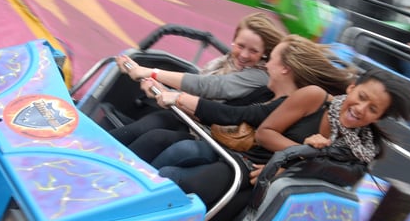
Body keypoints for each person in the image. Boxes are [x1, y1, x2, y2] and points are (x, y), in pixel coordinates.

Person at [158, 67, 410, 210]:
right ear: (352, 88)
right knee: (181, 182)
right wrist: (301, 151)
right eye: (362, 97)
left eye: (373, 109)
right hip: (252, 166)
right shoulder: (314, 97)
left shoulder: (363, 148)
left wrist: (288, 170)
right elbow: (265, 133)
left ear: (377, 118)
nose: (362, 108)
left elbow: (336, 176)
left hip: (282, 187)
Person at [149, 35, 357, 169]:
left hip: (237, 160)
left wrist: (177, 96)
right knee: (160, 132)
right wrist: (171, 97)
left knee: (181, 150)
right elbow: (223, 112)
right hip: (222, 145)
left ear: (284, 68)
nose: (266, 64)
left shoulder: (288, 102)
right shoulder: (265, 92)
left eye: (272, 58)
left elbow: (234, 115)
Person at [107, 12, 285, 155]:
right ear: (234, 40)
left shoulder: (260, 76)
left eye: (253, 51)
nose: (244, 55)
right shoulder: (225, 62)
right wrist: (162, 89)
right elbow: (198, 95)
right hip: (193, 119)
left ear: (264, 54)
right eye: (240, 46)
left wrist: (153, 73)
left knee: (156, 138)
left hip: (215, 134)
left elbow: (211, 87)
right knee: (146, 124)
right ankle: (93, 151)